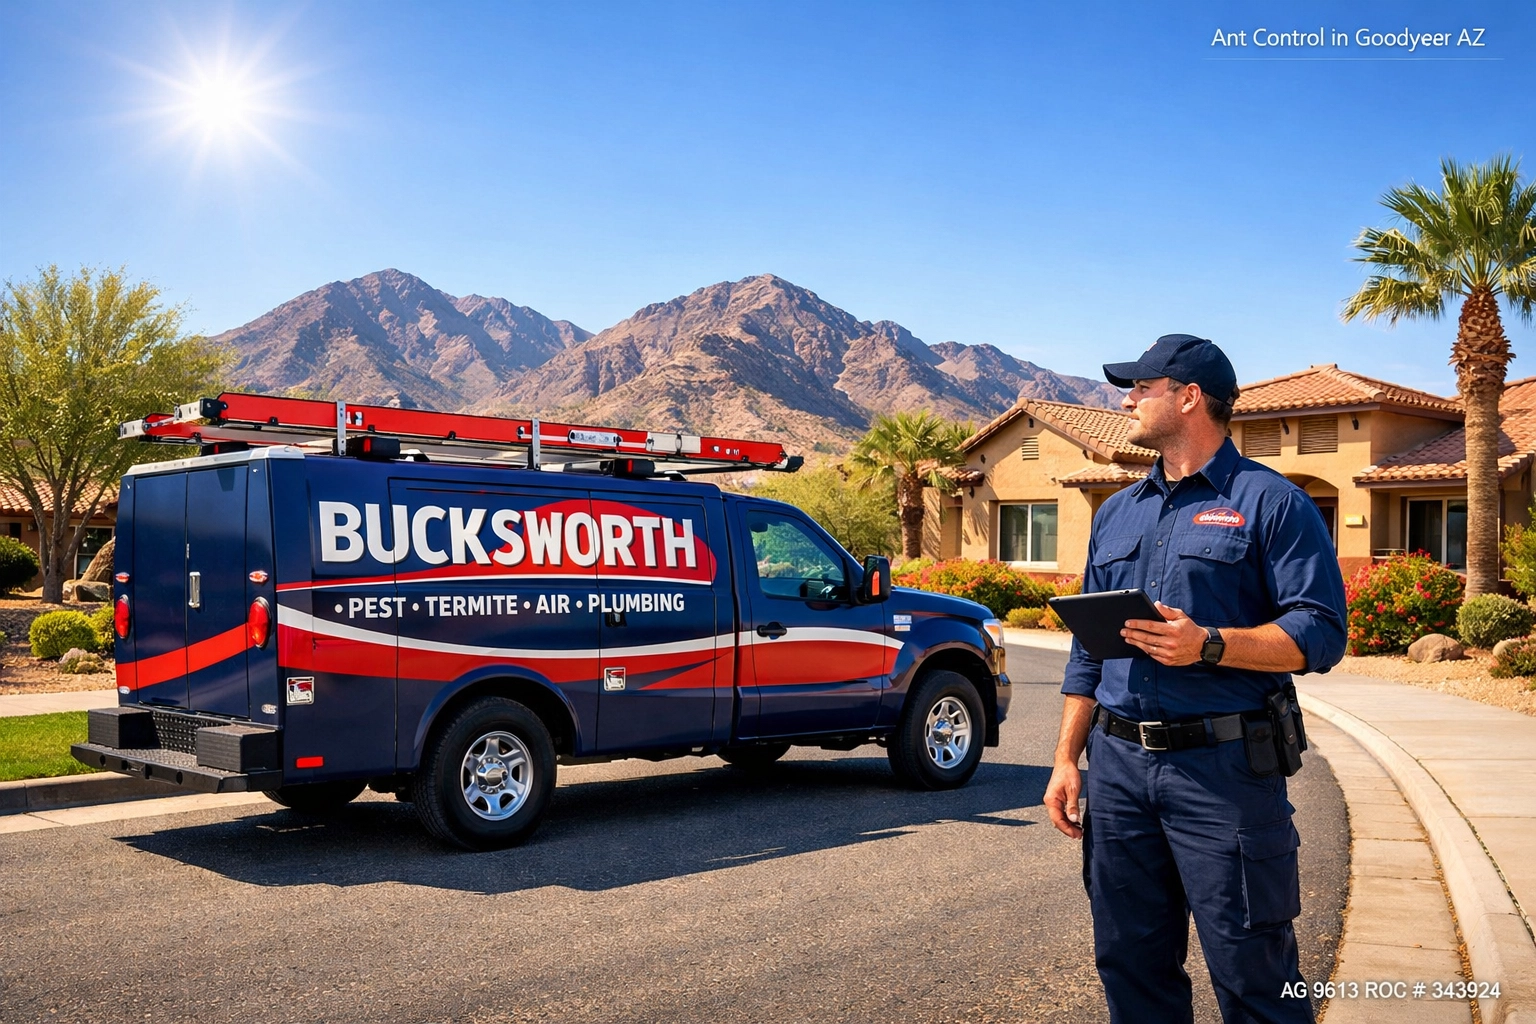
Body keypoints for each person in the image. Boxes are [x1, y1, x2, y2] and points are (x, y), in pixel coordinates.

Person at [1042, 334, 1347, 1024]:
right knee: (1130, 963)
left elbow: (1322, 632)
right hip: (1117, 772)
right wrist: (1066, 758)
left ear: (1188, 396)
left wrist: (1209, 645)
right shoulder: (1118, 511)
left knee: (1253, 971)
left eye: (1142, 387)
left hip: (1224, 772)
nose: (1127, 399)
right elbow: (1089, 653)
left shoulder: (1272, 503)